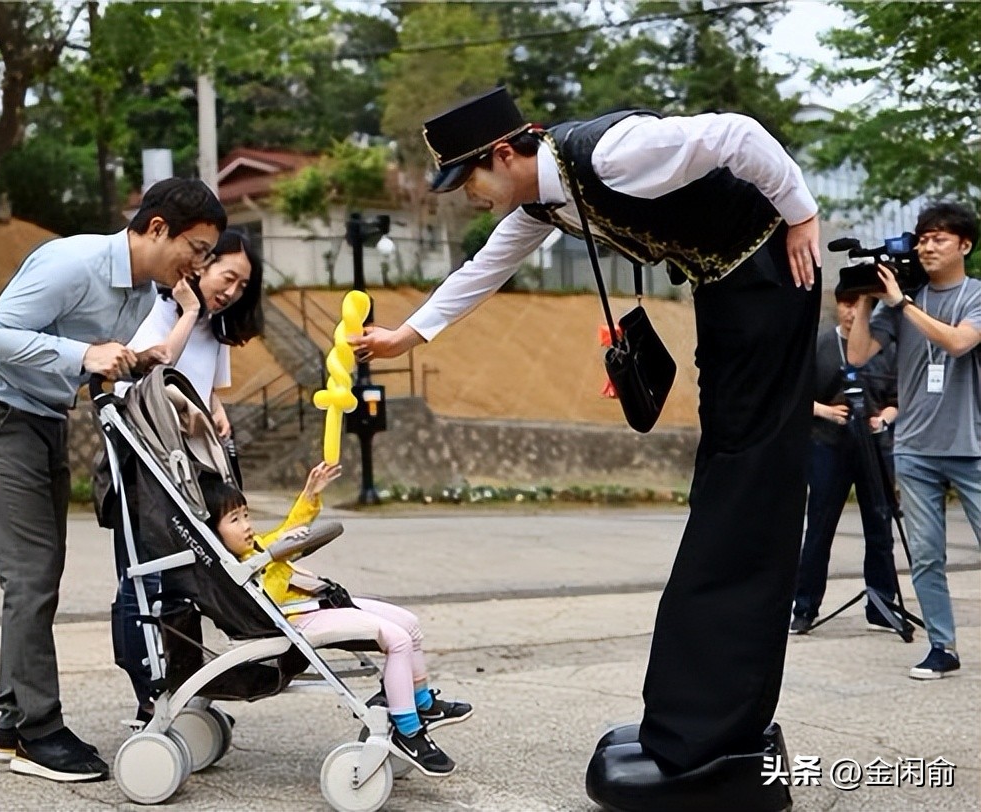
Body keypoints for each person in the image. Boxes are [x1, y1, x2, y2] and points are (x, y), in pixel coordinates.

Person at [350, 87, 821, 811]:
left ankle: (714, 733)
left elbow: (737, 133)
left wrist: (801, 214)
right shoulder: (541, 199)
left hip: (769, 280)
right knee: (726, 484)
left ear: (504, 154)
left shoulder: (609, 153)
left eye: (468, 179)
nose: (466, 197)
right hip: (726, 294)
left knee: (747, 488)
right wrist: (405, 336)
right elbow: (482, 270)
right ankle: (693, 719)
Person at [0, 177, 226, 783]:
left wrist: (137, 364)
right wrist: (84, 357)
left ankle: (10, 722)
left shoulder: (140, 291)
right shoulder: (72, 262)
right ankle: (36, 731)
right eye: (198, 249)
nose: (199, 265)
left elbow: (101, 358)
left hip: (42, 414)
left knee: (39, 571)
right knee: (31, 574)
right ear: (158, 229)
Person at [198, 461, 472, 777]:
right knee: (396, 639)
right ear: (212, 532)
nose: (247, 525)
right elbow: (269, 591)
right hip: (297, 620)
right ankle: (407, 731)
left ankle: (422, 702)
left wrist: (309, 493)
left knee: (408, 623)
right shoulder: (231, 569)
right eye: (235, 519)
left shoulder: (256, 549)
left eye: (246, 515)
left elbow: (288, 529)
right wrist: (278, 553)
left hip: (318, 604)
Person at [110, 227, 264, 721]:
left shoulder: (215, 331)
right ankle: (148, 694)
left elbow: (206, 391)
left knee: (185, 583)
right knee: (144, 583)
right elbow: (145, 374)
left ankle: (181, 688)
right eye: (228, 276)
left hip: (188, 478)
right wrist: (191, 310)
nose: (232, 290)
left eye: (242, 285)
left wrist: (216, 411)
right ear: (201, 265)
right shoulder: (162, 311)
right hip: (145, 471)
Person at [846, 201, 981, 680]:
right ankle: (942, 647)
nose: (926, 245)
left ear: (964, 244)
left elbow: (959, 342)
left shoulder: (974, 295)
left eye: (938, 237)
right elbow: (859, 355)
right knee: (925, 553)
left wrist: (902, 304)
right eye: (922, 238)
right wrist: (865, 301)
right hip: (915, 448)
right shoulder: (901, 298)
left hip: (972, 445)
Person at [789, 283, 901, 635]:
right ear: (838, 307)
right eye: (847, 305)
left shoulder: (884, 346)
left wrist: (884, 417)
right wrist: (824, 411)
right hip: (827, 444)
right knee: (819, 528)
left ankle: (881, 605)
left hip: (875, 446)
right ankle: (804, 607)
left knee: (880, 527)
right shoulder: (820, 344)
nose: (853, 312)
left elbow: (899, 397)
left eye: (860, 305)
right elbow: (794, 395)